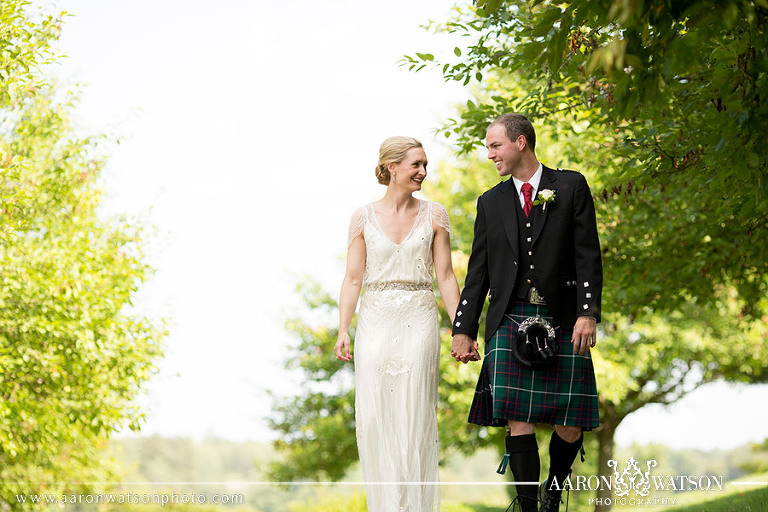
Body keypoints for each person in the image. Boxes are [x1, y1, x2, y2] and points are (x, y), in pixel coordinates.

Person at [451, 114, 602, 512]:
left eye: (495, 145)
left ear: (520, 142)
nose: (489, 155)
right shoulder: (491, 200)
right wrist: (463, 328)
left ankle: (554, 490)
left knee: (571, 421)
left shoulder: (569, 186)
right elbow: (478, 270)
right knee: (519, 417)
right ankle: (529, 505)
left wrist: (588, 313)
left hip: (564, 316)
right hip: (510, 316)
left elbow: (588, 254)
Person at [335, 136, 460, 512]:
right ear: (392, 167)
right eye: (416, 165)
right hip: (374, 321)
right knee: (376, 417)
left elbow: (447, 276)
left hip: (420, 320)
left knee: (414, 415)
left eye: (425, 165)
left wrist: (461, 327)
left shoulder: (435, 214)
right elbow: (352, 279)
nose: (423, 172)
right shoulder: (362, 216)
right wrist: (343, 329)